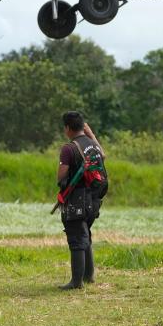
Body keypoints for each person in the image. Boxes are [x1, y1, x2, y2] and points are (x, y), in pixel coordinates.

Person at [56, 111, 105, 289]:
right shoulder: (93, 145)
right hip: (94, 198)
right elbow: (103, 155)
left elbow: (61, 176)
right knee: (85, 234)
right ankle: (88, 276)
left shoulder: (69, 148)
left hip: (77, 198)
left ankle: (76, 282)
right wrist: (91, 134)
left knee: (77, 237)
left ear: (68, 128)